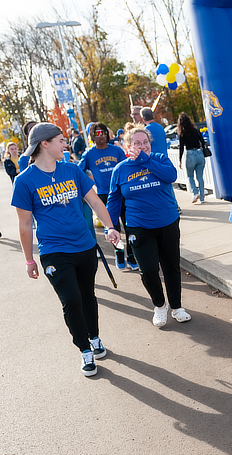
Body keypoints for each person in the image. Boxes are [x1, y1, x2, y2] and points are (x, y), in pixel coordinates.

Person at [11, 123, 122, 377]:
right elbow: (25, 224)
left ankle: (95, 338)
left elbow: (94, 200)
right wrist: (29, 260)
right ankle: (84, 350)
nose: (65, 144)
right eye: (61, 140)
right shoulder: (24, 181)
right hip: (54, 251)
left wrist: (109, 226)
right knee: (70, 300)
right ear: (44, 144)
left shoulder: (72, 170)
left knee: (87, 296)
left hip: (85, 246)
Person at [107, 123, 191, 327]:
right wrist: (111, 227)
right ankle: (160, 306)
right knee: (148, 270)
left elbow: (170, 176)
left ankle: (177, 307)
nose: (142, 146)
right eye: (137, 143)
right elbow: (114, 200)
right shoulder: (121, 169)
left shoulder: (159, 159)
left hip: (167, 222)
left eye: (145, 142)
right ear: (127, 146)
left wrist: (145, 161)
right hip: (139, 226)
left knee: (171, 267)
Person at [78, 122, 136, 270]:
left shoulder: (117, 151)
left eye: (103, 132)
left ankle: (131, 255)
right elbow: (78, 172)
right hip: (104, 195)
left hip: (122, 193)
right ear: (92, 136)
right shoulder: (89, 154)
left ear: (107, 134)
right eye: (97, 133)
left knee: (130, 225)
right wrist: (88, 185)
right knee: (113, 228)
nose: (101, 136)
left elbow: (127, 168)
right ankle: (119, 252)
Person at [177, 112, 207, 204]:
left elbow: (181, 147)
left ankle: (195, 192)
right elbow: (202, 141)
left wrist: (180, 159)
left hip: (189, 154)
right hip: (199, 153)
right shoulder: (195, 130)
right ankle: (202, 198)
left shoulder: (182, 132)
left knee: (190, 176)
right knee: (200, 177)